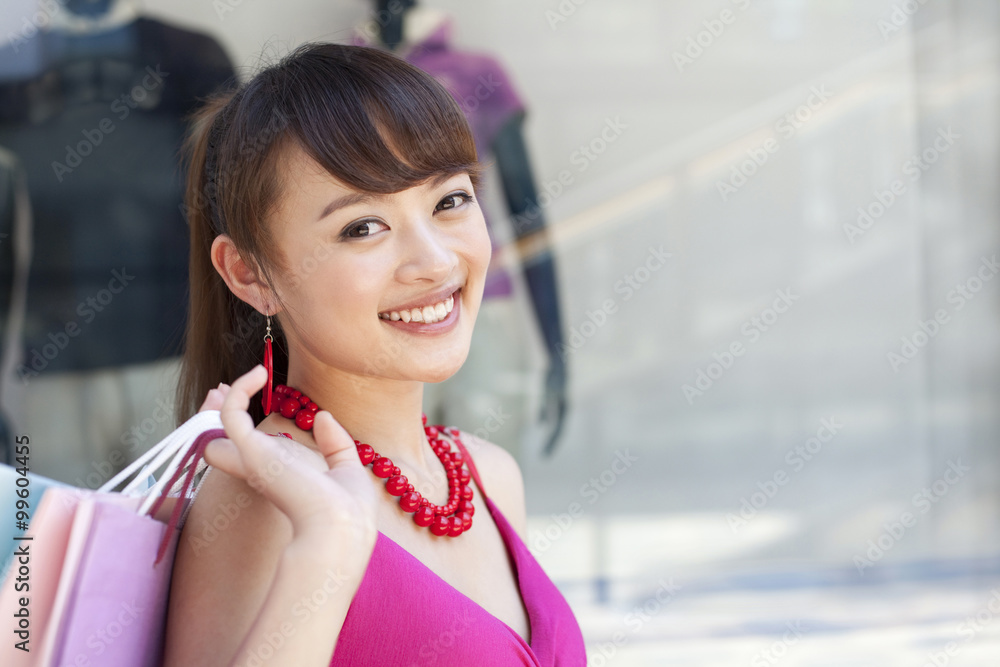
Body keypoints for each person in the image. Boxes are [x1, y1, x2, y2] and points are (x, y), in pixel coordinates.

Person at [163, 42, 586, 666]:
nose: (436, 262)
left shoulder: (488, 474)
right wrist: (328, 549)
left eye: (450, 200)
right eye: (363, 227)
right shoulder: (259, 500)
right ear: (250, 274)